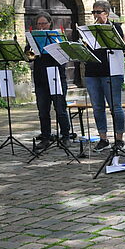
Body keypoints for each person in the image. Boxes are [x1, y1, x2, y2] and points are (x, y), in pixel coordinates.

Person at [84, 0, 125, 151]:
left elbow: (120, 47)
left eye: (98, 12)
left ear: (106, 13)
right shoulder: (89, 29)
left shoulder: (115, 28)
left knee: (115, 107)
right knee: (97, 107)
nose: (95, 15)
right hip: (92, 72)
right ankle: (103, 138)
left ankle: (119, 138)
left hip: (111, 72)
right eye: (93, 12)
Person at [27, 12, 71, 152]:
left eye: (44, 23)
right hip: (41, 79)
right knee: (43, 110)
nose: (41, 26)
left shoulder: (56, 37)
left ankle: (66, 136)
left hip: (57, 76)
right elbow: (28, 57)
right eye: (39, 24)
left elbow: (64, 58)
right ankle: (45, 137)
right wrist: (30, 52)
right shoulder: (34, 38)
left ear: (50, 24)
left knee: (60, 109)